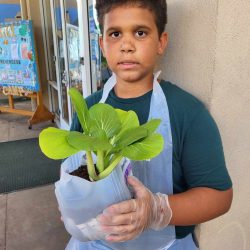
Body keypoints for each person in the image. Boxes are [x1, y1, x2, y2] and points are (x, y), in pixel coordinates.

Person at [69, 1, 233, 249]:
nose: (126, 45)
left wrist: (155, 210)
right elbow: (75, 175)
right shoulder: (88, 108)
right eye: (115, 34)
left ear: (161, 42)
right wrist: (72, 205)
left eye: (140, 32)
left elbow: (219, 197)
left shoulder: (188, 112)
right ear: (102, 44)